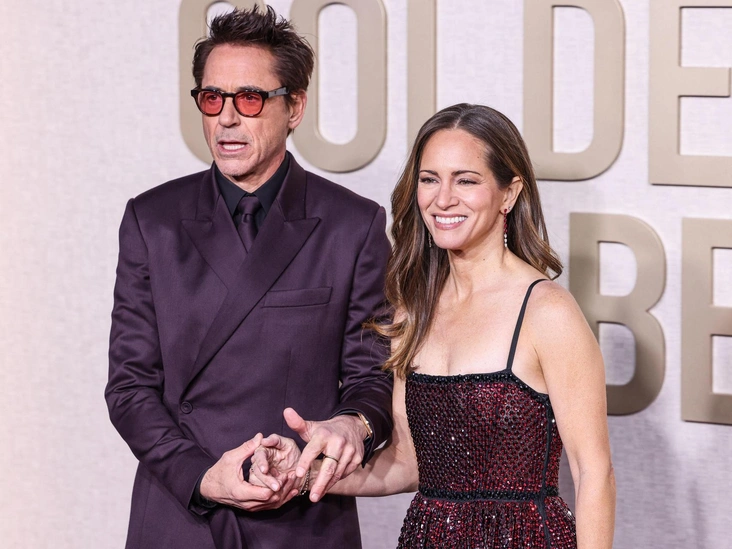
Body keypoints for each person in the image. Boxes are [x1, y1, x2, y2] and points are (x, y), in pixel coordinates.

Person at [252, 104, 616, 548]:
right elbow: (408, 463)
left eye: (466, 180)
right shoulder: (412, 310)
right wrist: (305, 472)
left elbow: (593, 473)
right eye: (429, 179)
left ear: (509, 193)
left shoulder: (548, 311)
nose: (443, 199)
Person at [105, 6, 393, 549]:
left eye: (251, 98)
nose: (227, 119)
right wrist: (201, 476)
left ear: (295, 107)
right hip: (181, 513)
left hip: (303, 517)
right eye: (213, 98)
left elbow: (371, 378)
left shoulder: (353, 225)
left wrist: (352, 424)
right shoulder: (152, 221)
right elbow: (129, 385)